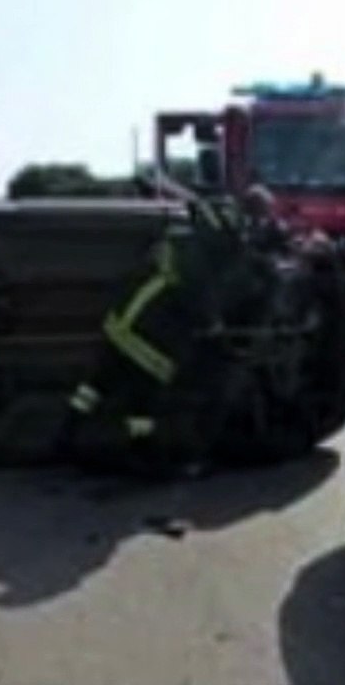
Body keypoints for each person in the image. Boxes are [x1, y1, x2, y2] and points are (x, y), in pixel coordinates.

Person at [55, 189, 250, 478]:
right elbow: (198, 301)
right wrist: (217, 328)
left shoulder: (177, 239)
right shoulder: (200, 259)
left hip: (122, 323)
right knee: (145, 402)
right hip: (149, 338)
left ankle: (65, 436)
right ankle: (143, 457)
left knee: (96, 385)